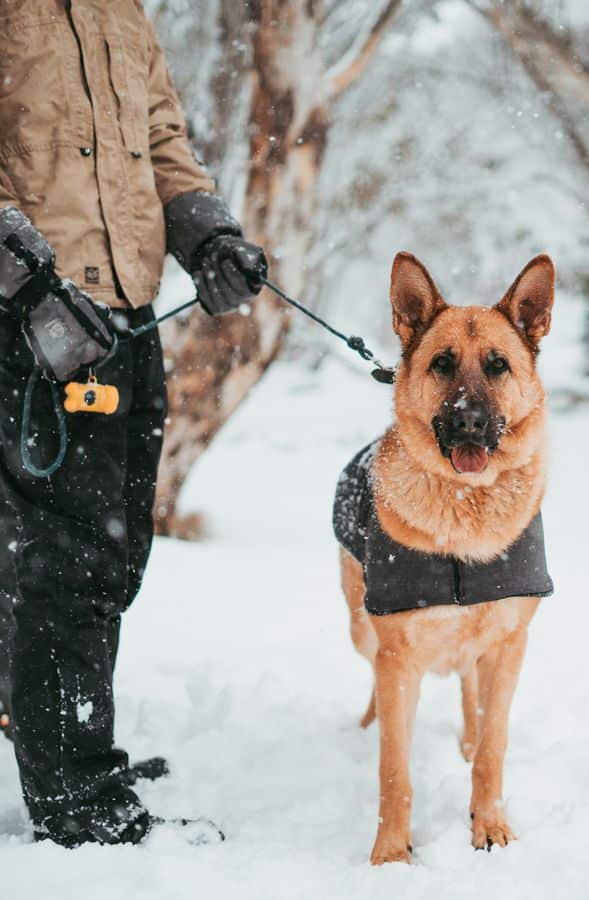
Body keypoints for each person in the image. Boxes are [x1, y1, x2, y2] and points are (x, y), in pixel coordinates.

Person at [0, 2, 268, 847]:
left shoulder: (122, 10)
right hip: (30, 322)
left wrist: (207, 234)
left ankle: (47, 723)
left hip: (124, 318)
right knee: (66, 562)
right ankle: (76, 789)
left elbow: (159, 140)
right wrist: (29, 282)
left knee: (115, 551)